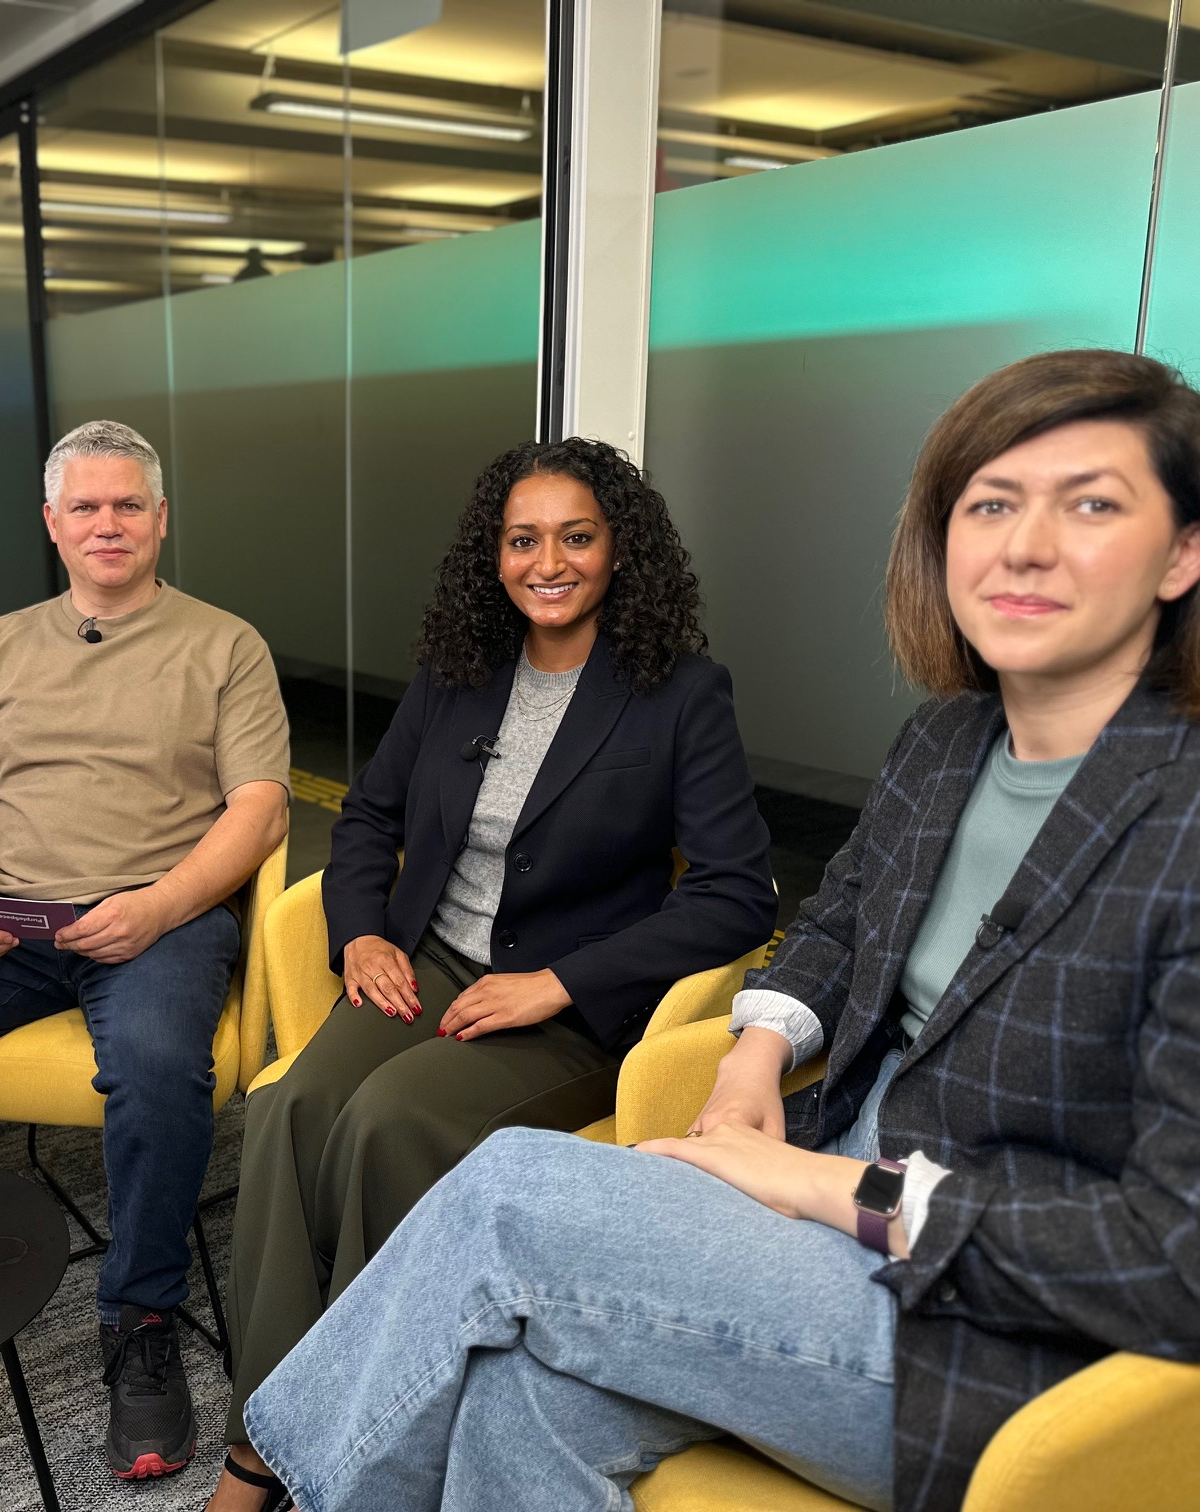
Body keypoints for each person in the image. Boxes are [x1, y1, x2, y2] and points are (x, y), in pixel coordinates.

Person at [237, 350, 1200, 1512]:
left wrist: (825, 1187)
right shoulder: (947, 742)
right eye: (991, 505)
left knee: (506, 1198)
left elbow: (1198, 1263)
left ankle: (264, 1471)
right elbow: (835, 919)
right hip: (825, 1209)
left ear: (1187, 554)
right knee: (510, 1389)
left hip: (988, 1332)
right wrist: (756, 1054)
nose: (1026, 545)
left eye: (1090, 505)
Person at [207, 437, 777, 1511]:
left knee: (388, 1123)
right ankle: (265, 1439)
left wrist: (561, 983)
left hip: (571, 1002)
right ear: (494, 555)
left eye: (576, 537)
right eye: (523, 540)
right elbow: (367, 817)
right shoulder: (458, 675)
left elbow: (738, 894)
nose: (547, 563)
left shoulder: (681, 695)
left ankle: (357, 1453)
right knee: (291, 1108)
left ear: (620, 550)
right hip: (427, 960)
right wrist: (360, 934)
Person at [0, 419, 290, 1478]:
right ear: (52, 523)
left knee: (157, 1069)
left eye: (128, 505)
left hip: (159, 916)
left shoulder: (226, 645)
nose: (107, 524)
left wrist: (159, 906)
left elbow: (259, 811)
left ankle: (141, 1321)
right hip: (7, 917)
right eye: (86, 507)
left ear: (161, 520)